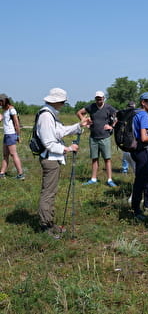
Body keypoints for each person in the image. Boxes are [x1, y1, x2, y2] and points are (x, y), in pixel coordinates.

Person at [36, 88, 89, 238]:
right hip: (50, 159)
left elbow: (59, 132)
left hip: (53, 158)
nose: (64, 105)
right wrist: (67, 149)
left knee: (50, 192)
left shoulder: (50, 114)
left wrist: (79, 125)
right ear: (58, 101)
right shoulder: (46, 116)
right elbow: (48, 142)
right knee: (48, 193)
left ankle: (49, 222)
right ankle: (45, 226)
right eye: (64, 102)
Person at [76, 91, 117, 187]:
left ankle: (109, 179)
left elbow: (118, 116)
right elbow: (79, 112)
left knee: (107, 159)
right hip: (93, 137)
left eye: (101, 98)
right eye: (97, 98)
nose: (99, 100)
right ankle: (93, 179)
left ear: (104, 98)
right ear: (95, 99)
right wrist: (85, 121)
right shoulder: (91, 107)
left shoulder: (108, 107)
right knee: (94, 159)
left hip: (105, 137)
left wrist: (112, 126)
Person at [129, 92, 148, 219]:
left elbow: (141, 132)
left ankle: (146, 204)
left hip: (135, 150)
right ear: (143, 102)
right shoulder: (144, 115)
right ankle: (136, 210)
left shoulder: (136, 114)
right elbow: (145, 138)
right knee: (140, 181)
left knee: (144, 178)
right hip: (142, 151)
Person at [0, 94, 24, 180]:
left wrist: (18, 135)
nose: (0, 103)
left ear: (4, 101)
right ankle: (2, 173)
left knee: (13, 154)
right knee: (5, 155)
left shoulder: (12, 110)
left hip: (11, 134)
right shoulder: (5, 110)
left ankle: (20, 174)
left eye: (0, 101)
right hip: (7, 134)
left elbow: (17, 124)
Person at [121, 101, 137, 174]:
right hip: (126, 135)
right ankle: (125, 169)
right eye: (130, 106)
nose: (130, 108)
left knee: (131, 152)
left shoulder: (136, 114)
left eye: (132, 107)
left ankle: (133, 169)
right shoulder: (125, 114)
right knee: (126, 152)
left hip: (133, 135)